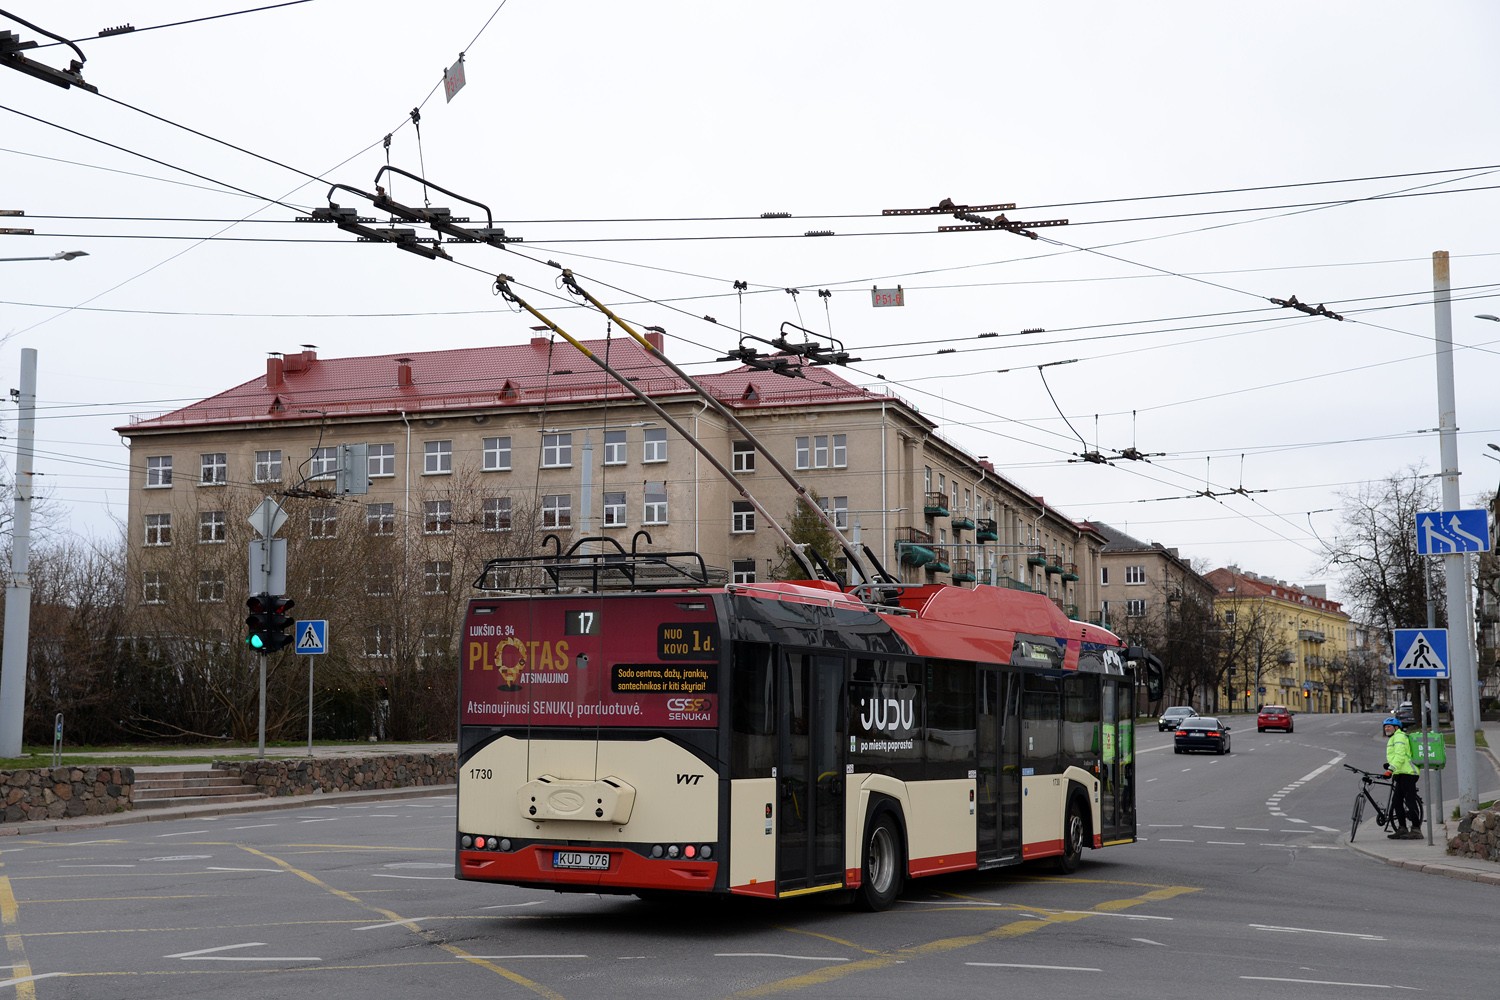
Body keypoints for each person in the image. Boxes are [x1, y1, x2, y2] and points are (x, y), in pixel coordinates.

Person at [1382, 716, 1422, 839]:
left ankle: (1416, 830)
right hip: (1400, 773)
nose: (1386, 728)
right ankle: (1402, 828)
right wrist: (1390, 765)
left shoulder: (1399, 737)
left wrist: (1390, 769)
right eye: (1385, 727)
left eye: (1389, 726)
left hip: (1408, 773)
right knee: (1396, 802)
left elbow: (1400, 755)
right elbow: (1399, 756)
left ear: (1396, 727)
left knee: (1410, 801)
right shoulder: (1394, 737)